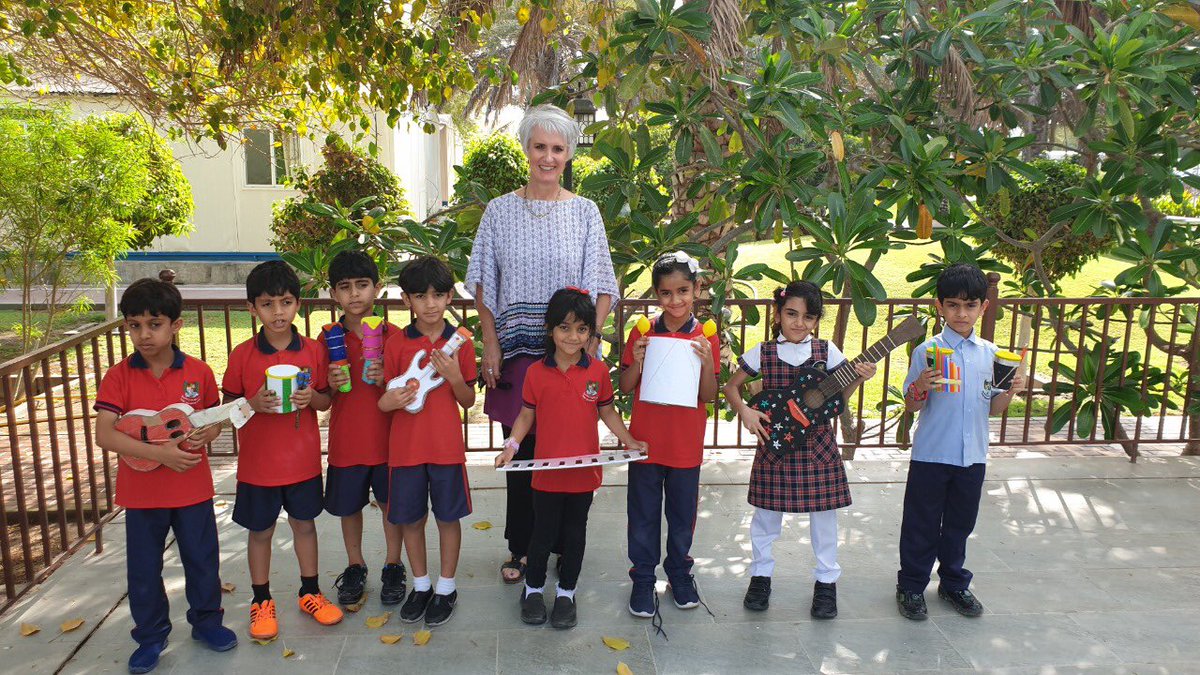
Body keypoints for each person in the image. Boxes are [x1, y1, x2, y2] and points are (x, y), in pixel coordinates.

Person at [465, 104, 619, 584]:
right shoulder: (499, 210)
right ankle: (522, 548)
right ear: (526, 149)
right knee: (523, 451)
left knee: (565, 450)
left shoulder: (585, 212)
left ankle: (560, 544)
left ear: (569, 154)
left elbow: (604, 287)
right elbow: (483, 284)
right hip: (517, 356)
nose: (548, 158)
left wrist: (588, 340)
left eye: (557, 149)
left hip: (569, 359)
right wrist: (490, 342)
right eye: (539, 147)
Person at [94, 279, 236, 673]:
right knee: (143, 570)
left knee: (202, 561)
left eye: (154, 324)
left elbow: (211, 420)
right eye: (134, 325)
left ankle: (207, 623)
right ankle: (151, 635)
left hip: (192, 488)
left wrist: (212, 430)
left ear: (176, 325)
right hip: (141, 494)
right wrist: (160, 454)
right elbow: (104, 434)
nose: (143, 334)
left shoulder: (198, 372)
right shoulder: (119, 376)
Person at [494, 288, 647, 629]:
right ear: (551, 330)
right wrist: (511, 446)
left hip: (583, 475)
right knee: (542, 535)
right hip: (546, 475)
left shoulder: (598, 371)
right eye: (564, 328)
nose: (572, 336)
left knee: (575, 535)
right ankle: (532, 590)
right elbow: (525, 416)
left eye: (581, 329)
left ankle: (566, 593)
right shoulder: (535, 372)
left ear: (591, 333)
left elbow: (607, 411)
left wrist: (629, 440)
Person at [723, 281, 876, 620]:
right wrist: (745, 411)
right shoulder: (762, 353)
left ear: (816, 321)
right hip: (775, 445)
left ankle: (826, 582)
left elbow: (839, 398)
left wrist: (860, 377)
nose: (798, 323)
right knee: (765, 516)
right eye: (791, 314)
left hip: (818, 445)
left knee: (824, 517)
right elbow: (731, 386)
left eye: (808, 317)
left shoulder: (827, 351)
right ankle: (760, 576)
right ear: (778, 314)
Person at [896, 263, 1025, 620]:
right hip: (932, 454)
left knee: (959, 524)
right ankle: (910, 585)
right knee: (921, 522)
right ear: (939, 306)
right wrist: (920, 386)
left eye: (970, 306)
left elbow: (995, 407)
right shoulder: (928, 351)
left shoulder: (992, 355)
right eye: (953, 305)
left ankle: (954, 583)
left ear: (984, 307)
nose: (961, 313)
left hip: (972, 458)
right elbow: (911, 403)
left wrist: (1011, 391)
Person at [221, 260, 342, 640]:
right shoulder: (242, 355)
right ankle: (261, 601)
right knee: (260, 532)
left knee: (304, 526)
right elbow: (228, 412)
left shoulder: (311, 350)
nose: (278, 312)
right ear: (252, 308)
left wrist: (314, 397)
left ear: (298, 304)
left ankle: (311, 591)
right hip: (258, 467)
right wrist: (252, 404)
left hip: (303, 463)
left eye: (286, 302)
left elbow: (325, 401)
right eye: (268, 303)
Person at [619, 252, 719, 619]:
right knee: (642, 514)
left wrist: (708, 362)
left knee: (681, 516)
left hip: (685, 444)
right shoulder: (643, 331)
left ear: (696, 289)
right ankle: (643, 579)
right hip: (645, 441)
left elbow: (707, 395)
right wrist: (639, 361)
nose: (675, 301)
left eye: (683, 291)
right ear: (656, 294)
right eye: (666, 293)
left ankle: (679, 573)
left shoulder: (706, 335)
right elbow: (626, 384)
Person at [378, 256, 477, 627]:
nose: (430, 303)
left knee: (448, 518)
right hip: (405, 451)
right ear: (406, 300)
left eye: (438, 294)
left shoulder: (460, 342)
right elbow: (383, 398)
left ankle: (446, 586)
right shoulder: (395, 344)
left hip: (446, 448)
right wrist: (392, 400)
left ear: (450, 296)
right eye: (420, 296)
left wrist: (453, 377)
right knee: (410, 519)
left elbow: (467, 400)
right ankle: (420, 585)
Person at [319, 251, 407, 608]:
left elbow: (409, 387)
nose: (354, 294)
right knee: (348, 508)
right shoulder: (326, 340)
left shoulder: (396, 337)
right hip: (347, 441)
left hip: (390, 442)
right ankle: (355, 565)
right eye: (345, 287)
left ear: (378, 288)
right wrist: (327, 379)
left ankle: (393, 564)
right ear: (333, 294)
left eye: (362, 285)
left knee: (391, 506)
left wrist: (388, 375)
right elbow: (322, 399)